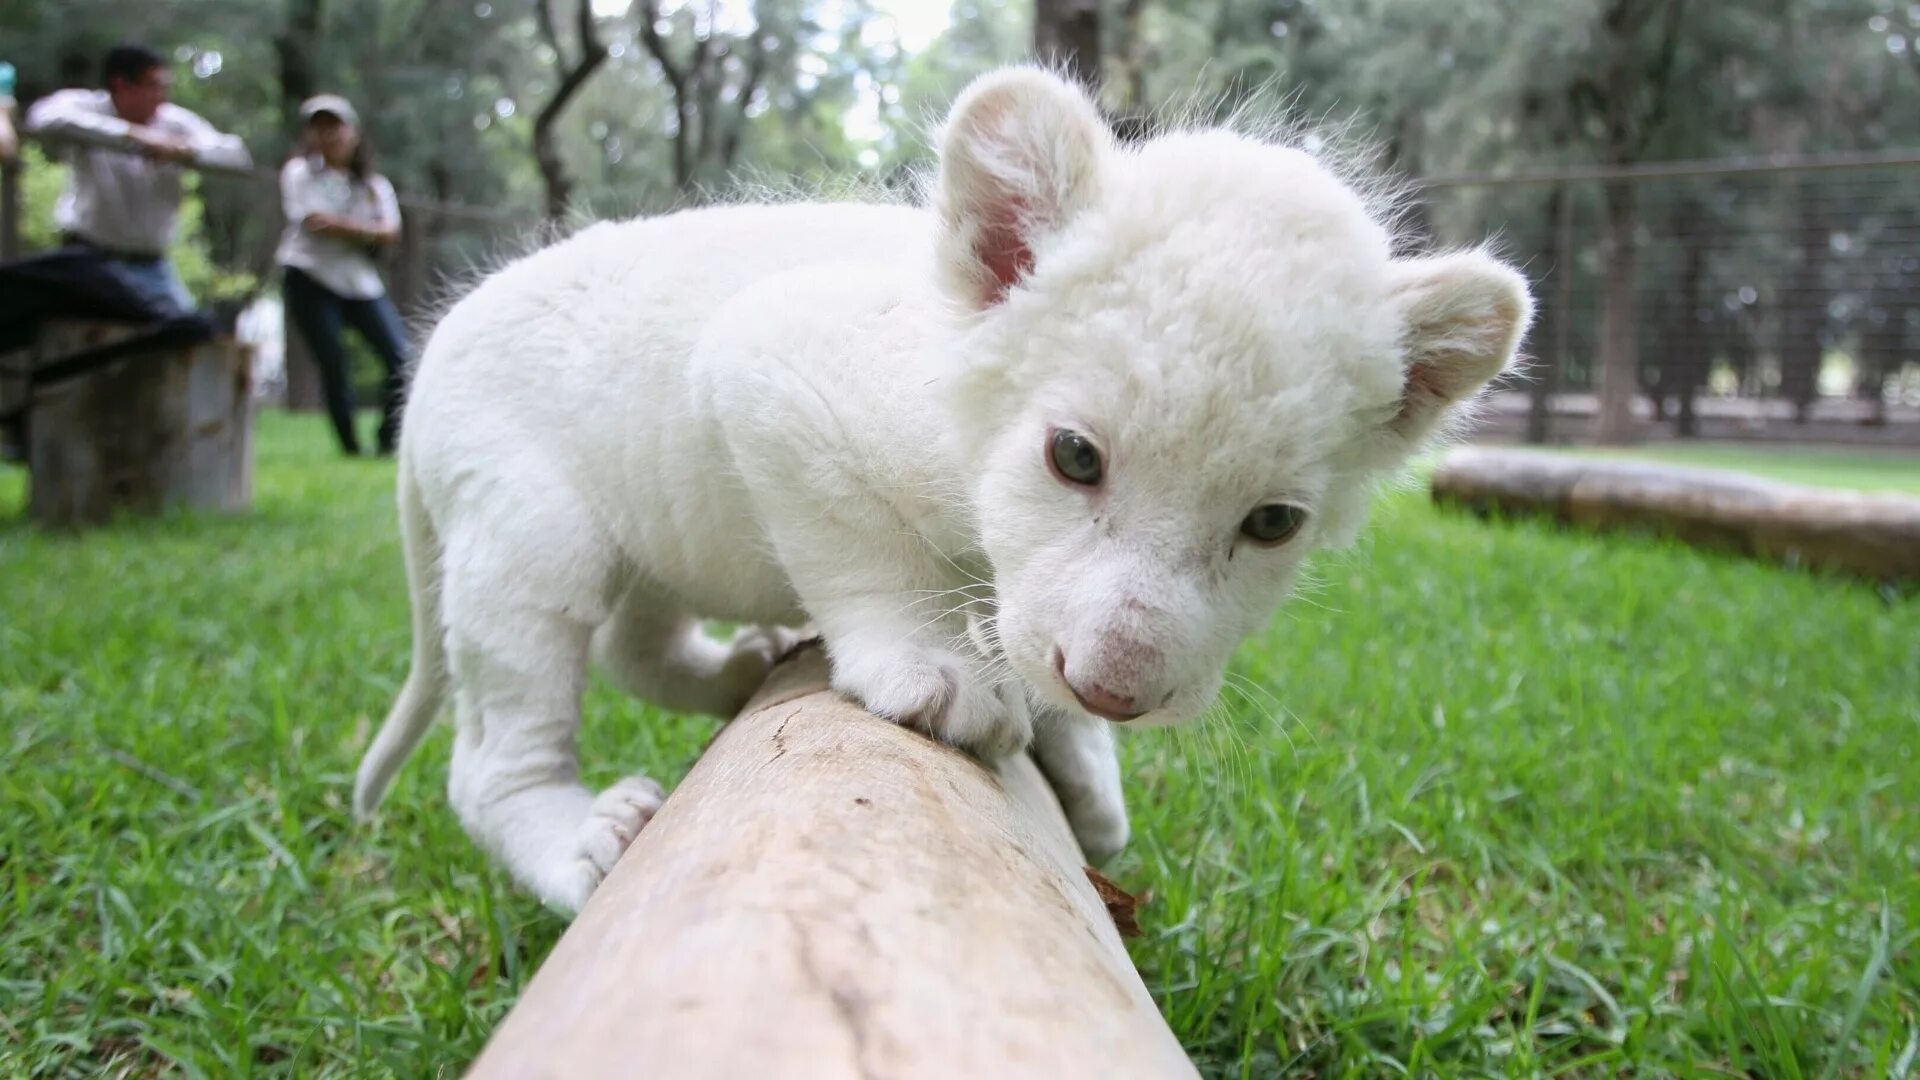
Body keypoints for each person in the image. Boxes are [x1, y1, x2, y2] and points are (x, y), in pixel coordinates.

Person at [21, 43, 252, 316]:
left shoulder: (174, 123)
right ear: (122, 85)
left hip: (150, 266)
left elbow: (236, 156)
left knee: (188, 331)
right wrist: (131, 135)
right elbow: (42, 118)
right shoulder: (86, 106)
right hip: (89, 257)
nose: (160, 97)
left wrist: (186, 151)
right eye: (152, 87)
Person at [275, 94, 409, 457]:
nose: (328, 134)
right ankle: (350, 447)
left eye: (335, 126)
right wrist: (367, 229)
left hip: (359, 281)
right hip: (310, 275)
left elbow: (391, 231)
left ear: (353, 132)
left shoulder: (373, 185)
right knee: (334, 363)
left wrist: (347, 227)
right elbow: (315, 222)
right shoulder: (299, 174)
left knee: (402, 359)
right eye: (319, 127)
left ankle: (388, 442)